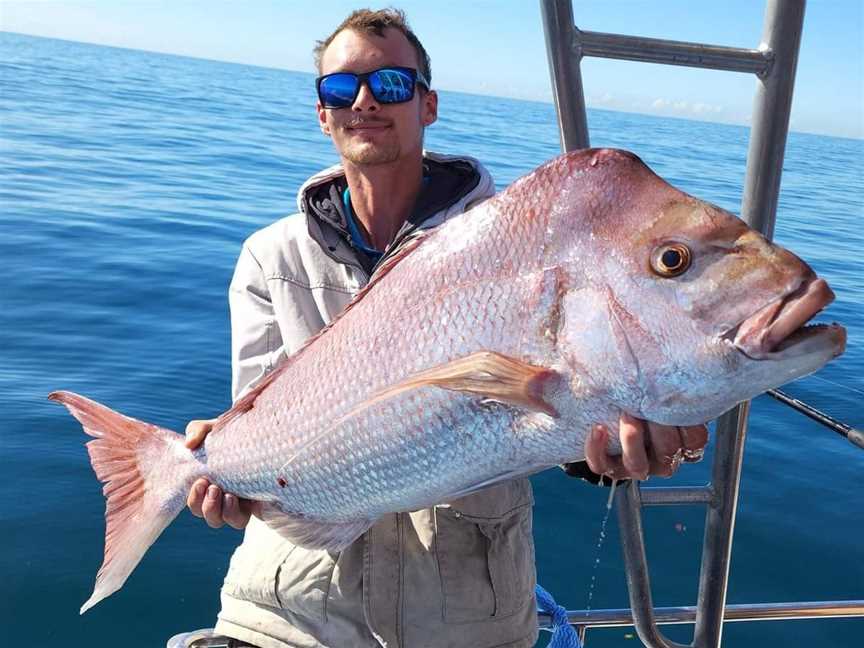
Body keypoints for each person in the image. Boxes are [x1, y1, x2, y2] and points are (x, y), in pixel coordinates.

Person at [183, 9, 709, 648]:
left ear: (428, 104)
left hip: (467, 622)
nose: (366, 101)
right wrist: (229, 478)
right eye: (341, 89)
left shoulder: (518, 242)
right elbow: (262, 419)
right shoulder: (271, 257)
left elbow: (553, 402)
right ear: (322, 113)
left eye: (393, 85)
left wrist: (604, 453)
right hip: (285, 616)